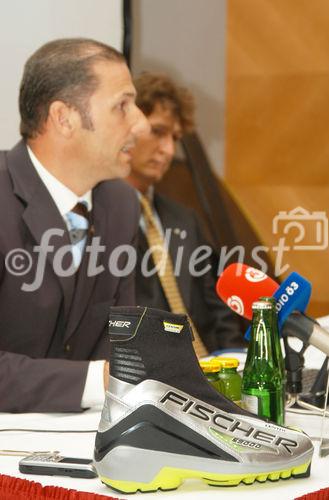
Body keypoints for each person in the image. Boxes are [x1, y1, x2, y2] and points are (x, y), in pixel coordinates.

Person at [0, 38, 149, 412]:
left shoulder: (121, 203)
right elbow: (110, 374)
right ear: (64, 118)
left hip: (83, 442)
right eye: (122, 106)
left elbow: (122, 340)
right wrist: (96, 381)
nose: (141, 123)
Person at [126, 72, 245, 354]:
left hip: (209, 371)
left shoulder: (184, 218)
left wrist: (237, 364)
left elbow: (219, 311)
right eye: (158, 131)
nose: (168, 150)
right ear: (127, 128)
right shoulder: (99, 216)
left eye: (175, 137)